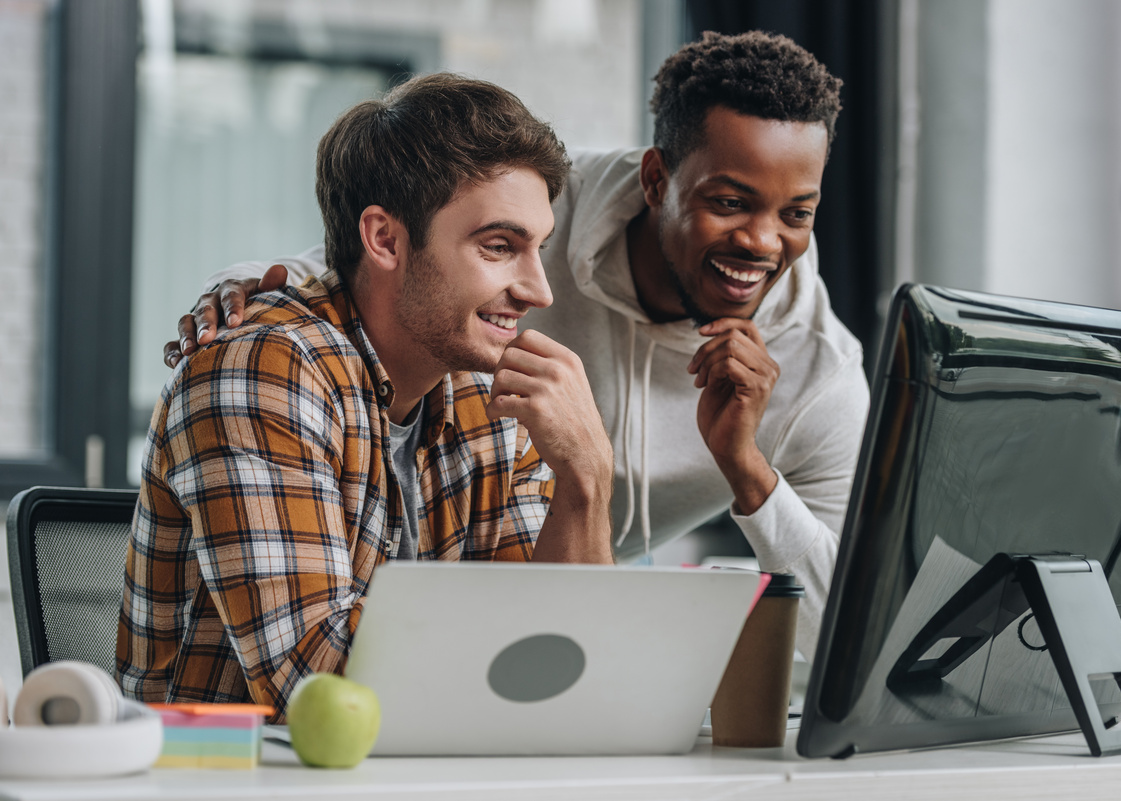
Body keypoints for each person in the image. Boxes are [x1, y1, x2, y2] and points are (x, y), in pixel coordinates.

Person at [163, 31, 870, 658]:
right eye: (728, 201)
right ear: (656, 181)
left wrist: (601, 472)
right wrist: (256, 282)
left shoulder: (483, 383)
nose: (540, 294)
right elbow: (381, 255)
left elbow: (566, 659)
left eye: (796, 213)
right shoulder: (284, 367)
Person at [117, 74, 615, 718]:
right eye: (500, 247)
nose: (539, 291)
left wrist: (587, 479)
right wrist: (509, 654)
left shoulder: (490, 399)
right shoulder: (262, 369)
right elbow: (320, 685)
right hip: (239, 781)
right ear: (385, 239)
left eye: (537, 249)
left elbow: (568, 673)